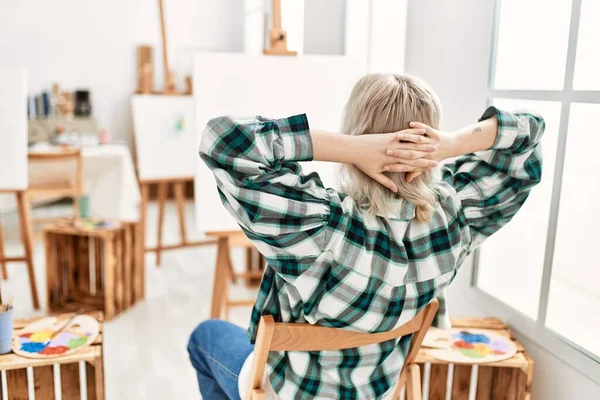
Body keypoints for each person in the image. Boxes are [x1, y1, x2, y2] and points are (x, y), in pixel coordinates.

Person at [188, 73, 545, 399]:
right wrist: (453, 144)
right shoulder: (456, 218)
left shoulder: (319, 228)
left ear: (357, 133)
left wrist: (349, 147)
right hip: (379, 391)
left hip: (292, 392)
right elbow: (528, 133)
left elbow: (225, 142)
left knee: (203, 338)